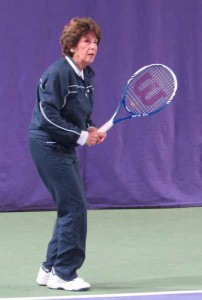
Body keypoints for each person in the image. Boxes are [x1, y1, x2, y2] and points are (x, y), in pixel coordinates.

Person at [29, 17, 106, 291]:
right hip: (47, 145)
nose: (92, 47)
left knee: (68, 208)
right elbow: (48, 117)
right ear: (72, 46)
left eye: (95, 42)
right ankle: (65, 273)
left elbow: (76, 113)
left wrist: (89, 127)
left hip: (63, 145)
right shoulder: (58, 73)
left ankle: (49, 269)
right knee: (75, 207)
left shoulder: (86, 76)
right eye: (86, 41)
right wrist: (83, 136)